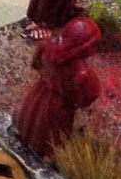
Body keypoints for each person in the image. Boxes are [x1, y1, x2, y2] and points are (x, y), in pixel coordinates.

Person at [14, 16, 103, 158]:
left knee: (32, 115)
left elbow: (35, 64)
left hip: (40, 91)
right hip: (59, 107)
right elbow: (87, 97)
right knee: (50, 132)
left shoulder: (45, 46)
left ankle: (24, 136)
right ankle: (43, 154)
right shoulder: (82, 72)